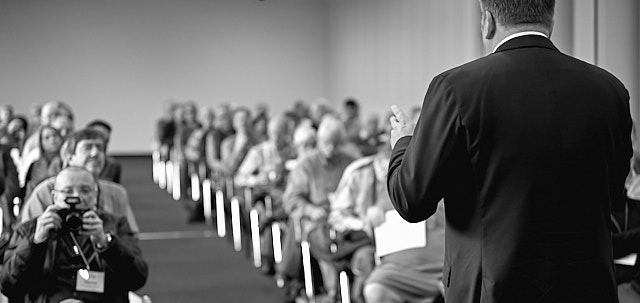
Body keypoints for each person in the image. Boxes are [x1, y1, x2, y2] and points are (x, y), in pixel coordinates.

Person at [386, 1, 632, 302]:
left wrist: (404, 143)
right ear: (550, 21)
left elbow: (412, 200)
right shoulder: (610, 91)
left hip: (493, 289)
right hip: (587, 288)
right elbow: (614, 195)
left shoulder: (455, 89)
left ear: (487, 21)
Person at [1, 166, 148, 303]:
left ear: (95, 195)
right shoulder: (30, 229)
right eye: (68, 191)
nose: (77, 196)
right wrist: (35, 243)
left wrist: (106, 243)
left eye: (85, 190)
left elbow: (136, 279)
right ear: (55, 196)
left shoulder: (114, 224)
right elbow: (10, 286)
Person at [20, 129, 139, 234]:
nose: (95, 153)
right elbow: (26, 237)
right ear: (69, 157)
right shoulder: (45, 191)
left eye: (100, 148)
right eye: (87, 148)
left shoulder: (117, 193)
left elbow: (131, 241)